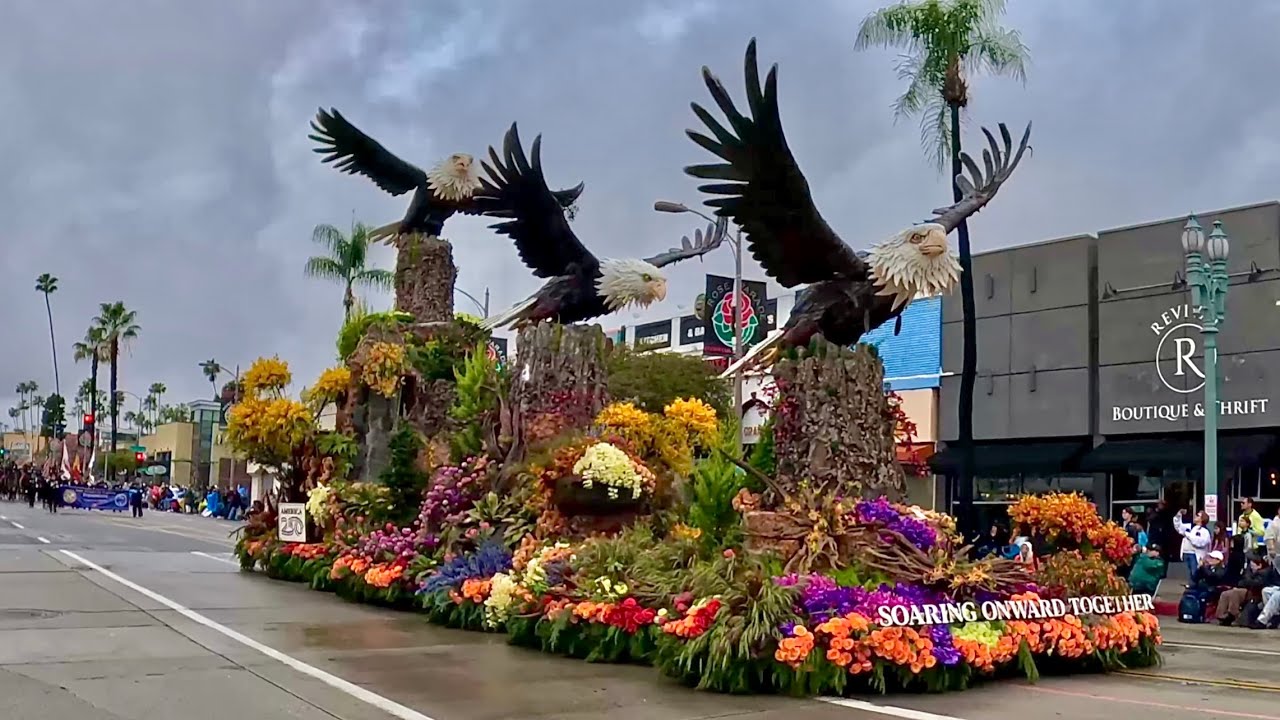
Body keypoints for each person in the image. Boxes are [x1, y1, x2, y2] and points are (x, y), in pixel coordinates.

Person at [1216, 554, 1272, 626]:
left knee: (1235, 593)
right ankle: (1221, 615)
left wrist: (1248, 578)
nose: (1251, 566)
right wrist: (1247, 579)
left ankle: (1233, 613)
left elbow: (1256, 584)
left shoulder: (1263, 572)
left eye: (1253, 565)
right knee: (1225, 593)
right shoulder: (1249, 572)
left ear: (1259, 565)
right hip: (1246, 589)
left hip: (1255, 593)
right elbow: (1241, 582)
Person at [1174, 509, 1212, 578]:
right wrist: (1179, 515)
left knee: (1195, 573)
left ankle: (1194, 587)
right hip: (1186, 552)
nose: (1195, 516)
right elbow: (1178, 527)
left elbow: (1199, 542)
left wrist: (1187, 534)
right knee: (1187, 574)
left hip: (1195, 555)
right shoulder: (1190, 527)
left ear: (1202, 519)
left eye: (1198, 515)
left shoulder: (1205, 531)